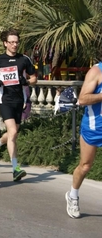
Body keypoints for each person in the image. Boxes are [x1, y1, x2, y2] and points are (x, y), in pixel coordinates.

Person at [0, 29, 37, 181]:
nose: (15, 45)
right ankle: (15, 168)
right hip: (5, 101)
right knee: (13, 132)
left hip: (19, 101)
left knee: (12, 133)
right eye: (12, 42)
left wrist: (26, 82)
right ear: (5, 43)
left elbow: (34, 77)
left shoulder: (24, 59)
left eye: (16, 42)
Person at [65, 61, 102, 218]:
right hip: (95, 126)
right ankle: (73, 195)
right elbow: (83, 98)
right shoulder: (96, 71)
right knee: (85, 165)